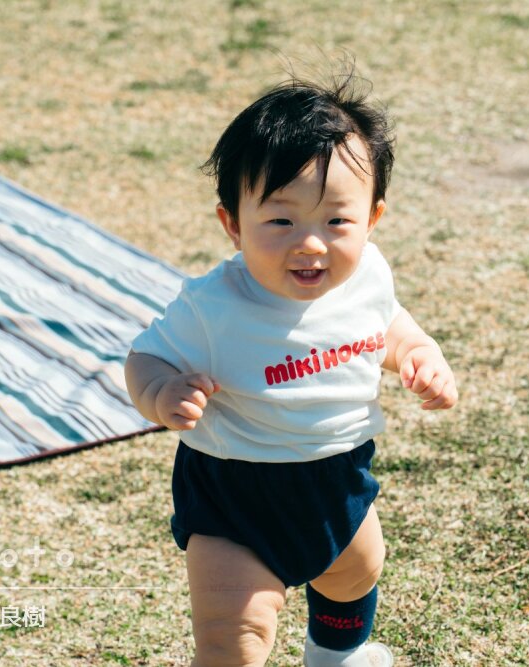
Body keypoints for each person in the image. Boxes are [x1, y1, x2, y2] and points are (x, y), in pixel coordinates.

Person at [125, 70, 457, 667]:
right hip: (233, 492)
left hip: (337, 476)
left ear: (372, 218)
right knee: (235, 633)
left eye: (336, 222)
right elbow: (144, 358)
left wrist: (417, 354)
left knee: (355, 573)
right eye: (281, 222)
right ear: (233, 224)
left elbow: (388, 326)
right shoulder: (214, 306)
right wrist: (161, 392)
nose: (311, 243)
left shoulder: (369, 276)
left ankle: (335, 658)